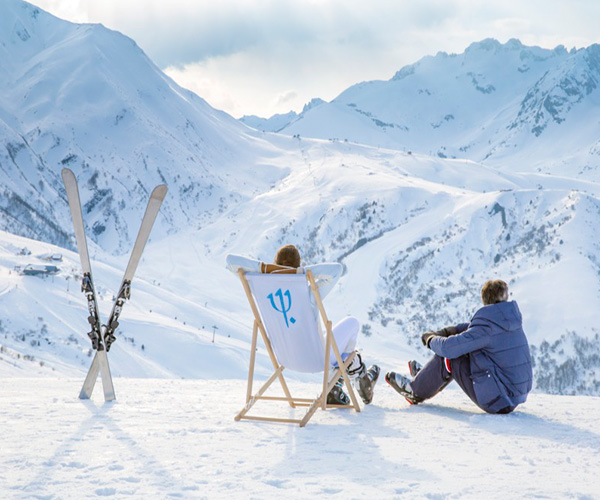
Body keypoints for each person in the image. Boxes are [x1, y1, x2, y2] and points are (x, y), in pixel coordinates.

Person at [226, 244, 380, 405]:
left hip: (284, 358)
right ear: (298, 265)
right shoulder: (308, 293)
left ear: (274, 264)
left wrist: (264, 269)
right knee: (352, 323)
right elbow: (336, 270)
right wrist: (300, 274)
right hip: (318, 359)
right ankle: (342, 382)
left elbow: (230, 261)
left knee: (332, 340)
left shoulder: (258, 287)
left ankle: (340, 384)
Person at [385, 279, 533, 414]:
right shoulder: (509, 320)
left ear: (484, 300)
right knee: (463, 348)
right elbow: (474, 330)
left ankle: (416, 390)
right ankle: (428, 376)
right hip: (513, 395)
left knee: (452, 356)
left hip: (498, 400)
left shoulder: (486, 328)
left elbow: (449, 348)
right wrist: (453, 330)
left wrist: (430, 339)